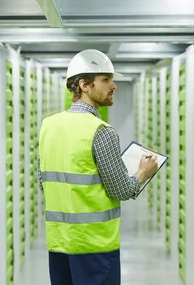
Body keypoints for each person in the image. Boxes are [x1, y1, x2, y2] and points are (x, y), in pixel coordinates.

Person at [37, 49, 159, 285]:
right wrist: (143, 173)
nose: (114, 86)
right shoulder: (101, 131)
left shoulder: (48, 126)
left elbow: (46, 185)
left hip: (60, 244)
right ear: (84, 84)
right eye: (106, 80)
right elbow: (122, 191)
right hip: (95, 246)